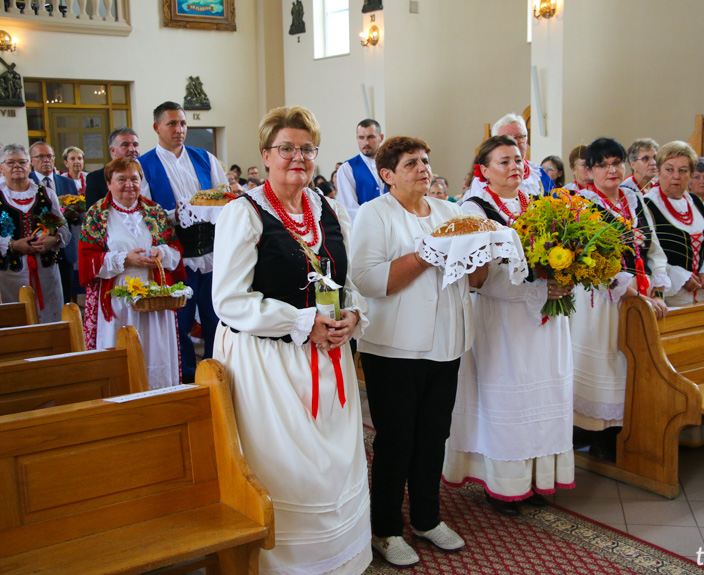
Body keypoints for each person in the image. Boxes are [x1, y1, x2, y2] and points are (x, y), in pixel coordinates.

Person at [212, 106, 372, 574]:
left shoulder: (331, 209)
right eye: (286, 148)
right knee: (290, 471)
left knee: (333, 470)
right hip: (269, 363)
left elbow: (350, 279)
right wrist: (300, 321)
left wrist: (353, 314)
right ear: (265, 155)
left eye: (307, 148)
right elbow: (230, 301)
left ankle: (337, 559)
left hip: (329, 357)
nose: (297, 157)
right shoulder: (243, 215)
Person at [351, 136, 486, 568]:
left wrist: (485, 249)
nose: (423, 169)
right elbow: (370, 281)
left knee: (433, 437)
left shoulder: (451, 211)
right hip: (394, 349)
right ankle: (385, 529)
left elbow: (476, 278)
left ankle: (427, 518)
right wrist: (428, 253)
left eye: (426, 161)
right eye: (411, 164)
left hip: (448, 342)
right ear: (387, 175)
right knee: (397, 441)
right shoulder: (375, 214)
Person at [443, 135, 574, 516]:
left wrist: (566, 276)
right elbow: (477, 277)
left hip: (543, 320)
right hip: (502, 320)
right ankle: (503, 482)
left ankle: (534, 478)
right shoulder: (472, 209)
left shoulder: (536, 205)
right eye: (504, 161)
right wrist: (535, 290)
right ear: (483, 170)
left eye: (518, 159)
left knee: (540, 396)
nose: (515, 166)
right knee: (508, 396)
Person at [571, 137, 669, 461]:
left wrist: (657, 282)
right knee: (607, 365)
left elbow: (652, 246)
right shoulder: (583, 203)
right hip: (601, 301)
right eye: (603, 165)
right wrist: (635, 293)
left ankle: (625, 433)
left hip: (639, 296)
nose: (612, 170)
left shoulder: (632, 198)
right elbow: (596, 263)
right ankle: (596, 437)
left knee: (632, 365)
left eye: (617, 163)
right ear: (589, 171)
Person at [139, 101, 228, 383]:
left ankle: (217, 373)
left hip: (212, 253)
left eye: (183, 123)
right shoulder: (144, 165)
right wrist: (174, 214)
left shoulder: (205, 158)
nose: (180, 129)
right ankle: (187, 377)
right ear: (157, 127)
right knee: (180, 324)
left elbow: (225, 198)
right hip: (177, 256)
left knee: (217, 319)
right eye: (172, 124)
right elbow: (145, 215)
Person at [78, 157, 184, 388]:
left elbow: (176, 252)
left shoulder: (154, 211)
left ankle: (159, 396)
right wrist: (125, 259)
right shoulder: (97, 215)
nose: (129, 184)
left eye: (134, 179)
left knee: (155, 351)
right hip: (117, 299)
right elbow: (88, 261)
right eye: (121, 179)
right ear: (109, 183)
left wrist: (161, 254)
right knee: (122, 351)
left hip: (155, 300)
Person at [643, 141, 704, 306]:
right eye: (669, 169)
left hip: (701, 294)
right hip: (668, 296)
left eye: (683, 171)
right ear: (658, 172)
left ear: (690, 175)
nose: (676, 176)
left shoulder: (695, 202)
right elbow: (649, 255)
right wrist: (681, 277)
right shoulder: (647, 205)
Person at [0, 143, 70, 323]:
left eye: (22, 162)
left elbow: (64, 229)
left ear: (29, 165)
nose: (17, 166)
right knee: (16, 320)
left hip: (46, 271)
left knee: (49, 319)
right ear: (1, 168)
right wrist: (12, 245)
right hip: (9, 274)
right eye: (10, 162)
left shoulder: (46, 193)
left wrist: (53, 239)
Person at [29, 142, 78, 303]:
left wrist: (74, 214)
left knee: (65, 296)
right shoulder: (27, 183)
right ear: (31, 160)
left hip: (64, 248)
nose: (46, 160)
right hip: (37, 249)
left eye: (49, 156)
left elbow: (78, 215)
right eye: (40, 156)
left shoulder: (67, 182)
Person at [468, 114, 553, 198]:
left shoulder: (539, 174)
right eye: (506, 139)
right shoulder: (484, 179)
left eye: (519, 137)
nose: (514, 143)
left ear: (526, 141)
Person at [336, 119, 386, 220]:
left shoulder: (390, 165)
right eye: (361, 138)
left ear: (381, 138)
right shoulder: (347, 168)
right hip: (365, 227)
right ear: (357, 138)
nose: (365, 142)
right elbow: (349, 208)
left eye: (370, 137)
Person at [86, 128, 140, 208]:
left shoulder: (147, 173)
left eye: (135, 145)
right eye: (125, 145)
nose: (132, 149)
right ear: (113, 150)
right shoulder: (96, 178)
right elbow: (93, 214)